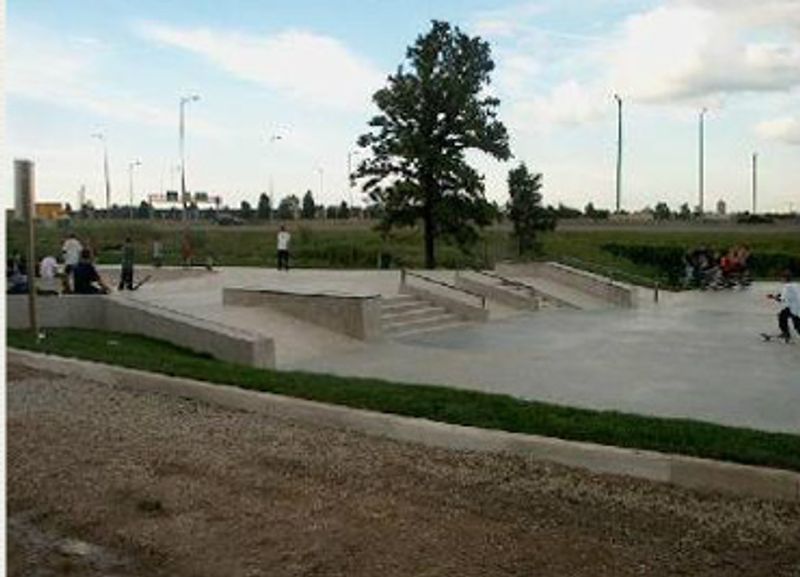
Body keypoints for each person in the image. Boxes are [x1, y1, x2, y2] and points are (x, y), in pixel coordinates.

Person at [768, 270, 800, 342]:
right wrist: (777, 295)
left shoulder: (787, 286)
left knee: (797, 326)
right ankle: (785, 333)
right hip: (795, 306)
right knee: (782, 315)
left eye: (781, 278)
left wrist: (773, 297)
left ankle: (785, 333)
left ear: (785, 278)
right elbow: (783, 294)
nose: (780, 279)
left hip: (794, 308)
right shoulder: (795, 284)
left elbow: (782, 299)